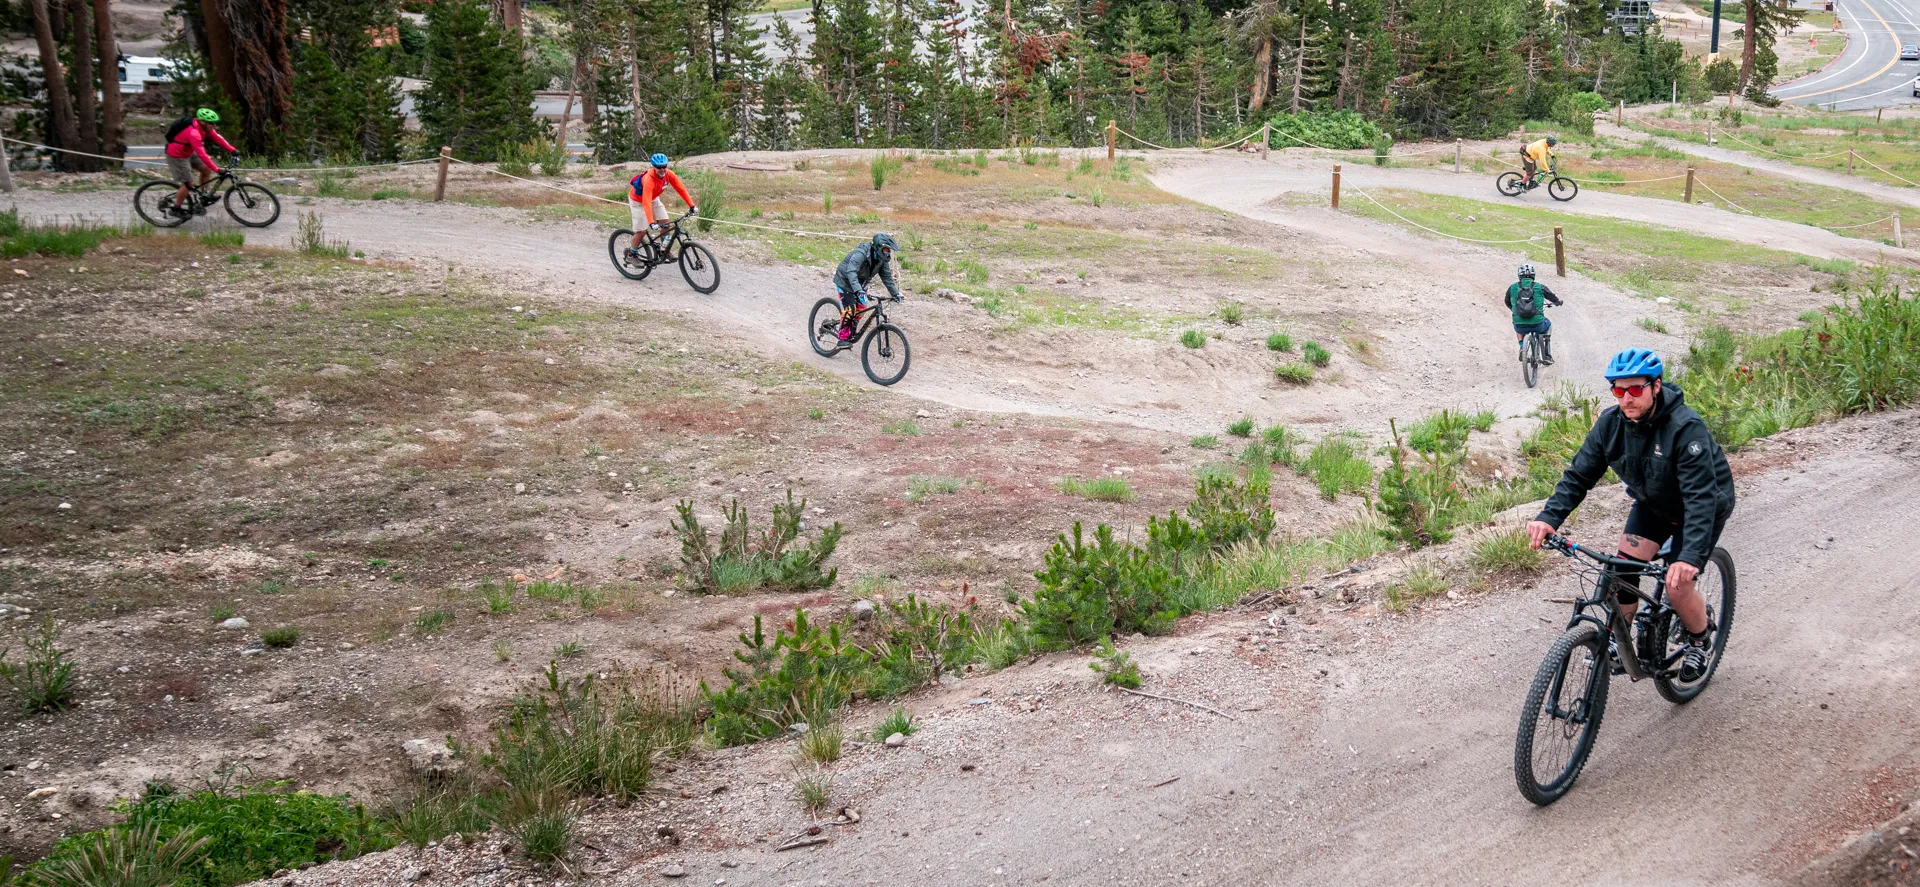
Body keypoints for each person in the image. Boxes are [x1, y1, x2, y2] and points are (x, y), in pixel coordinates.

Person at [1525, 348, 1736, 681]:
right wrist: (1549, 518)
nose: (1626, 399)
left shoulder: (1685, 428)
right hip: (1653, 506)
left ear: (1656, 386)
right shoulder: (1611, 425)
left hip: (1701, 508)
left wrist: (1690, 557)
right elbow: (1579, 475)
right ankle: (1618, 641)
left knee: (1678, 587)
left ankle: (1699, 639)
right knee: (1621, 574)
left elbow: (1700, 497)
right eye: (1618, 390)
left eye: (1635, 389)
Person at [832, 233, 903, 344]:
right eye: (886, 250)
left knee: (862, 306)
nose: (888, 253)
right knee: (850, 309)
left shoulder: (881, 260)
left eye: (889, 251)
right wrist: (858, 290)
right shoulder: (861, 253)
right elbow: (851, 271)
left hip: (860, 283)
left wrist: (896, 294)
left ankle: (851, 326)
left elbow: (887, 278)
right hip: (845, 280)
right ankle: (842, 338)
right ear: (879, 247)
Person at [166, 108, 237, 216]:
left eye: (214, 123)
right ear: (202, 122)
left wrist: (233, 150)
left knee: (205, 170)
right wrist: (217, 169)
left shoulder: (205, 129)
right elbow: (202, 154)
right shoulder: (194, 133)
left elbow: (218, 139)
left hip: (188, 152)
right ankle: (176, 209)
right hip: (177, 155)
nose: (214, 126)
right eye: (211, 123)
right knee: (188, 184)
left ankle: (203, 195)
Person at [629, 154, 695, 252]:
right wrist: (651, 223)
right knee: (642, 231)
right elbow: (646, 202)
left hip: (654, 199)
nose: (662, 169)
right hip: (638, 202)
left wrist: (692, 205)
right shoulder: (649, 179)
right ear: (653, 167)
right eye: (659, 167)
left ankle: (664, 251)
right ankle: (632, 253)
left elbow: (681, 189)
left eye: (664, 166)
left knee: (665, 224)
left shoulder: (669, 174)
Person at [1506, 263, 1564, 365]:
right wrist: (1557, 302)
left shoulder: (1512, 288)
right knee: (1548, 324)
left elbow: (1507, 302)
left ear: (1519, 275)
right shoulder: (1540, 287)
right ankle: (1547, 355)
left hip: (1520, 326)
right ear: (1533, 275)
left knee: (1517, 323)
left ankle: (1521, 347)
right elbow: (1553, 297)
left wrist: (1515, 311)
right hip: (1538, 325)